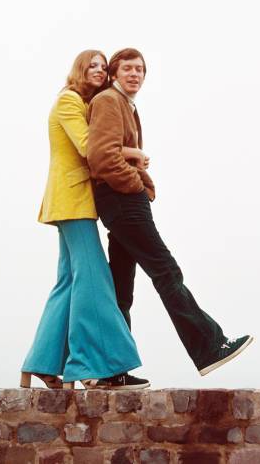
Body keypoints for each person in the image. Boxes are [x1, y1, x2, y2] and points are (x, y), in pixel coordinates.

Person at [87, 48, 253, 376]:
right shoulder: (108, 101)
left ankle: (110, 370)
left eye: (141, 70)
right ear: (115, 73)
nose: (135, 74)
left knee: (121, 286)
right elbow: (102, 157)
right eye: (128, 69)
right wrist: (137, 185)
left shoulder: (126, 106)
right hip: (122, 200)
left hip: (122, 201)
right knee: (166, 271)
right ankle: (209, 347)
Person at [20, 49, 150, 390]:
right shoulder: (68, 101)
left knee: (68, 281)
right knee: (94, 280)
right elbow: (88, 146)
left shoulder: (83, 103)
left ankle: (41, 362)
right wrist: (134, 152)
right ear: (79, 69)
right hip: (72, 200)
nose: (98, 70)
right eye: (91, 65)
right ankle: (86, 366)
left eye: (102, 67)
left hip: (75, 201)